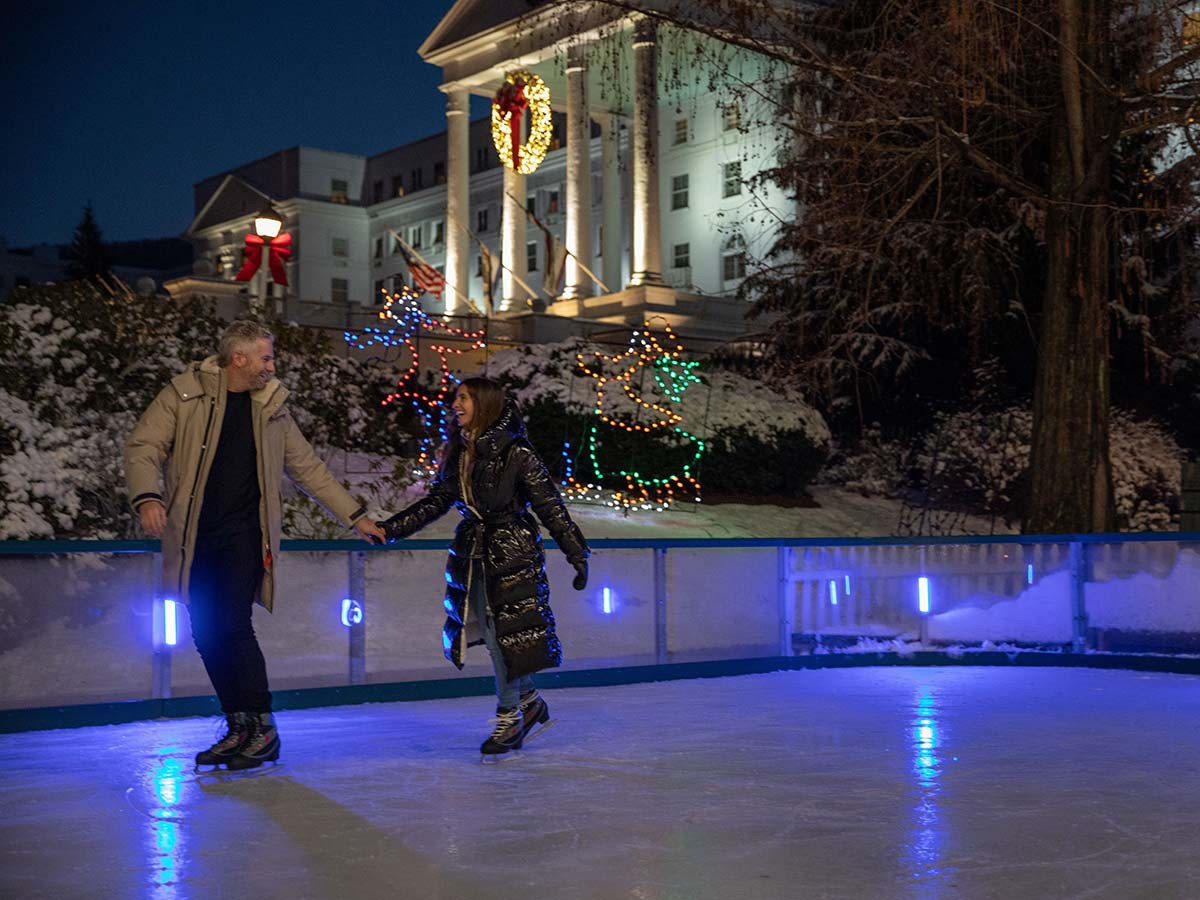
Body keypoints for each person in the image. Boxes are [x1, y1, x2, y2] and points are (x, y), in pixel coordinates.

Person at [124, 320, 385, 771]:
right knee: (206, 630)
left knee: (232, 624)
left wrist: (356, 515)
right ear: (238, 358)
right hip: (193, 537)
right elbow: (143, 446)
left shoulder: (272, 407)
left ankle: (262, 728)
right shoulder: (183, 395)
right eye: (265, 357)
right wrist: (147, 496)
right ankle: (238, 725)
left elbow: (309, 469)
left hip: (246, 536)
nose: (272, 366)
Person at [381, 376, 589, 758]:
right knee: (499, 635)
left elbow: (550, 506)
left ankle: (509, 715)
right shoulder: (459, 451)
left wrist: (576, 553)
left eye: (464, 398)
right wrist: (389, 530)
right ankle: (528, 701)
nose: (455, 405)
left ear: (486, 403)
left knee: (499, 636)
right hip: (473, 554)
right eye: (455, 398)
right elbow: (437, 501)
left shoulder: (517, 452)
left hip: (511, 551)